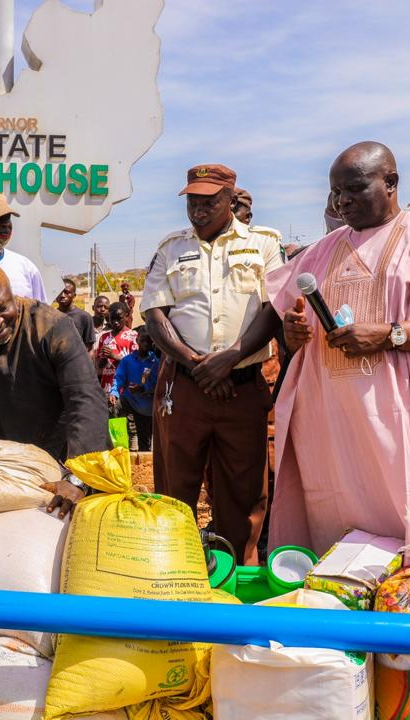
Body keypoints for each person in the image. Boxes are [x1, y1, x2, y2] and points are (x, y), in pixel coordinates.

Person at [265, 141, 410, 590]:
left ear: (391, 183)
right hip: (332, 429)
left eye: (354, 189)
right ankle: (337, 608)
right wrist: (295, 335)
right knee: (330, 523)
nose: (342, 202)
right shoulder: (320, 252)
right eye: (336, 192)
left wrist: (392, 334)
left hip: (406, 420)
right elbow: (293, 321)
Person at [141, 163, 283, 564]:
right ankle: (174, 573)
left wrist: (231, 357)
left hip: (242, 386)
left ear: (230, 200)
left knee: (242, 492)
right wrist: (198, 364)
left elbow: (273, 309)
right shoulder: (171, 248)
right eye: (193, 200)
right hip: (185, 387)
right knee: (175, 489)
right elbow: (154, 314)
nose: (199, 208)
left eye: (210, 200)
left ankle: (235, 578)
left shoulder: (264, 244)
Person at [0, 258, 109, 517]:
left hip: (61, 455)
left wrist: (78, 477)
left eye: (3, 307)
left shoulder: (52, 327)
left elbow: (85, 399)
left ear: (12, 295)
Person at [109, 325, 158, 451]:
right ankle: (119, 447)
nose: (146, 344)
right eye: (143, 340)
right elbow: (118, 379)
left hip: (145, 406)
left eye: (149, 341)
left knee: (144, 442)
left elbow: (156, 384)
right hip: (129, 399)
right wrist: (114, 392)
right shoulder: (127, 360)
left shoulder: (155, 363)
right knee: (113, 406)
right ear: (137, 341)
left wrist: (143, 388)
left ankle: (143, 466)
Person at [96, 302, 137, 397]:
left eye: (119, 318)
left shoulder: (133, 336)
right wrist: (103, 359)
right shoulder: (104, 337)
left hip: (124, 384)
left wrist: (113, 356)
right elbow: (100, 366)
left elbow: (135, 363)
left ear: (126, 316)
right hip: (107, 383)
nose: (115, 322)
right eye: (112, 319)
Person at [55, 279, 96, 350]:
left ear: (74, 295)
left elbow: (89, 347)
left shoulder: (84, 317)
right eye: (59, 292)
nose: (62, 295)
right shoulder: (51, 316)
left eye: (67, 292)